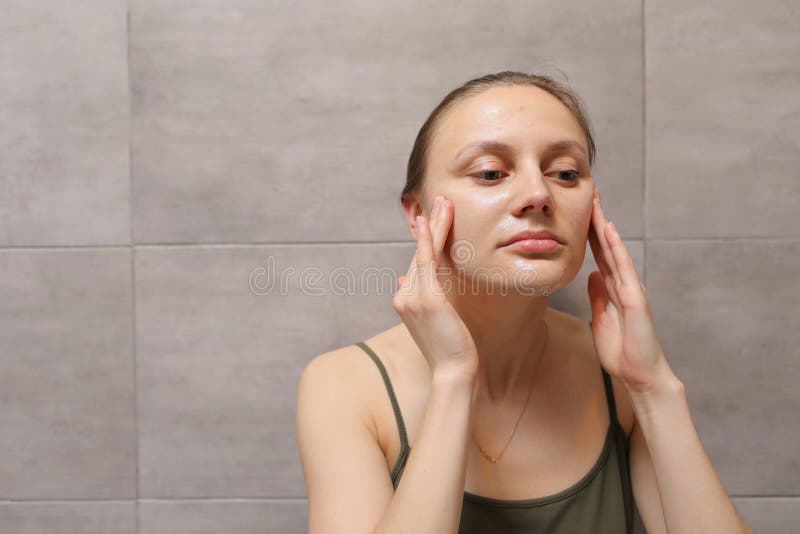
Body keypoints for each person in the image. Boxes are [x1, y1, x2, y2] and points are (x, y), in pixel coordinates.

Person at [296, 71, 752, 534]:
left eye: (565, 174)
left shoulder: (618, 374)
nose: (538, 195)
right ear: (418, 215)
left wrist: (654, 388)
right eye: (491, 173)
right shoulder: (343, 388)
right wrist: (454, 378)